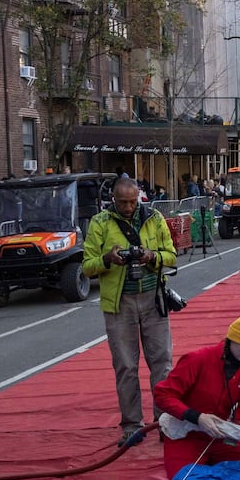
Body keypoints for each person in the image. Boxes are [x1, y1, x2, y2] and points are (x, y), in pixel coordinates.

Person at [81, 177, 178, 447]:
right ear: (113, 199)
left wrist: (151, 256)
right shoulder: (100, 223)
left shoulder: (155, 218)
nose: (127, 207)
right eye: (122, 202)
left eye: (132, 202)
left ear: (139, 198)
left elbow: (171, 255)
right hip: (119, 303)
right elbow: (87, 266)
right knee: (125, 366)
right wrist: (107, 259)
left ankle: (164, 422)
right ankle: (132, 426)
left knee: (162, 363)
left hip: (152, 298)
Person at [153, 310, 240, 479]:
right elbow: (163, 395)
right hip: (185, 433)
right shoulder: (198, 359)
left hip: (220, 435)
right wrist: (197, 417)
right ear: (233, 339)